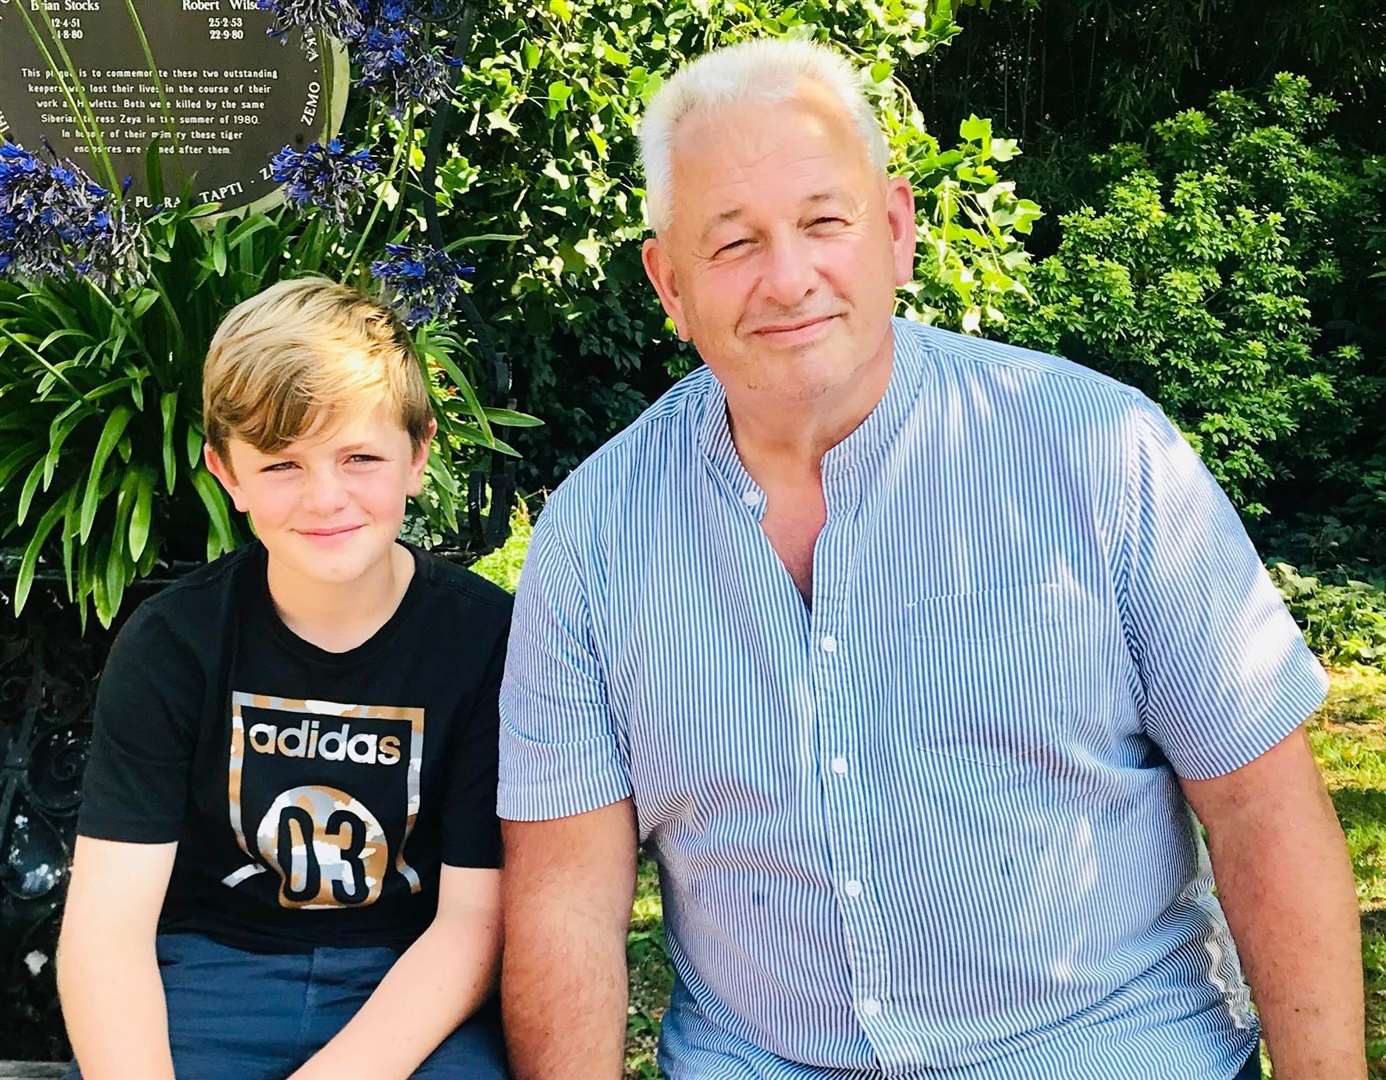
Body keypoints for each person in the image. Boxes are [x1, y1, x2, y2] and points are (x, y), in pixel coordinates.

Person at [496, 38, 1365, 1080]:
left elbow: (1263, 809)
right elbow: (566, 903)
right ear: (667, 282)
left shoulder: (1101, 453)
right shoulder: (594, 536)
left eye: (826, 222)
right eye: (732, 243)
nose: (788, 276)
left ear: (898, 231)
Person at [57, 277, 511, 1079]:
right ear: (226, 474)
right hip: (214, 974)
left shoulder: (483, 640)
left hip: (408, 981)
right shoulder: (173, 645)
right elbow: (107, 932)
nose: (325, 497)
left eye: (360, 457)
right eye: (281, 464)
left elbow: (473, 920)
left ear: (419, 455)